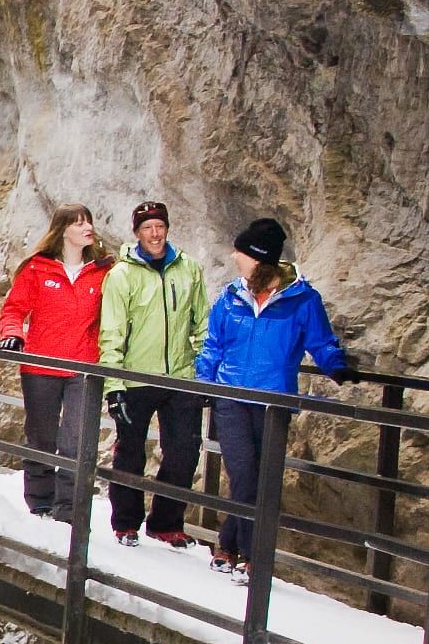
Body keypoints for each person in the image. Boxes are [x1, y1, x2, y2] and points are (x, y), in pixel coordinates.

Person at [195, 216, 349, 572]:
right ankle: (253, 557)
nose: (235, 257)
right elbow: (213, 344)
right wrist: (205, 383)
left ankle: (227, 545)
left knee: (262, 480)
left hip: (273, 401)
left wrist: (337, 365)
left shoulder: (302, 300)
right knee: (245, 476)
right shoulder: (231, 295)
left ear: (260, 258)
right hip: (231, 396)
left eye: (242, 252)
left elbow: (320, 341)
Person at [98, 197, 206, 545]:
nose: (155, 234)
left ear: (167, 229)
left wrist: (204, 376)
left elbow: (202, 323)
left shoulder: (188, 268)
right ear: (137, 233)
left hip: (180, 375)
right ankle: (126, 522)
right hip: (136, 377)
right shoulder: (121, 275)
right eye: (147, 228)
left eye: (160, 227)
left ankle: (165, 522)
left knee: (185, 451)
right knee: (130, 450)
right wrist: (113, 385)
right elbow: (111, 332)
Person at [0, 203, 111, 522]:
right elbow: (14, 309)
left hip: (84, 367)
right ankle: (40, 500)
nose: (87, 228)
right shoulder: (37, 268)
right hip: (40, 364)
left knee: (77, 439)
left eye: (89, 222)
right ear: (62, 231)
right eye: (78, 223)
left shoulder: (103, 270)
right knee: (41, 435)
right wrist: (13, 334)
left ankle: (69, 509)